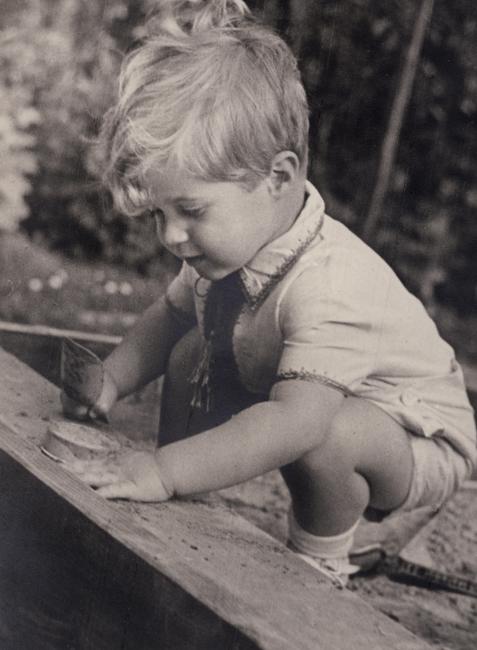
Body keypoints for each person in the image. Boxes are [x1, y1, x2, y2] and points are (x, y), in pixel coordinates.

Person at [62, 0, 476, 587]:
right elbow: (168, 318)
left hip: (411, 436)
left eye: (192, 210)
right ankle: (183, 501)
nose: (172, 235)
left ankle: (321, 560)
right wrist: (112, 380)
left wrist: (165, 469)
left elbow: (297, 425)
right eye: (159, 213)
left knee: (327, 434)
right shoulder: (224, 249)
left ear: (279, 177)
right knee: (186, 353)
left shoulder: (330, 285)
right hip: (303, 395)